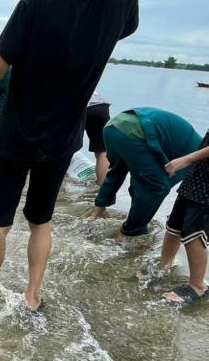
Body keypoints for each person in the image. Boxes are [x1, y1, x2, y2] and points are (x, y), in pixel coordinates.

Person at [0, 0, 139, 310]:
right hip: (62, 140)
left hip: (16, 135)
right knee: (40, 221)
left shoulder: (37, 0)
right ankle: (32, 295)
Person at [91, 108, 201, 238]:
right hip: (136, 133)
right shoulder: (197, 158)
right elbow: (157, 188)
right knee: (156, 187)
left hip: (113, 126)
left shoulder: (195, 144)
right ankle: (126, 235)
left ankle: (95, 214)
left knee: (118, 171)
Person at [158, 128, 209, 306]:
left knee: (193, 232)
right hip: (199, 174)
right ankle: (163, 267)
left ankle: (197, 286)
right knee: (175, 225)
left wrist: (186, 159)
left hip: (206, 184)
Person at [86, 92, 112, 184]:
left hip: (79, 106)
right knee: (102, 151)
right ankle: (102, 189)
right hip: (101, 106)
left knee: (64, 148)